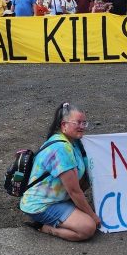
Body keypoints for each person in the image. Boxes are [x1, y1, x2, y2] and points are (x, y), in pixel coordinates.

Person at [19, 102, 99, 241]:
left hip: (57, 198)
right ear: (64, 125)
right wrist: (93, 216)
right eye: (78, 123)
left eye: (84, 123)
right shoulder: (61, 149)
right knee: (88, 227)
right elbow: (74, 191)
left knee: (87, 215)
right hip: (42, 204)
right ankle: (44, 227)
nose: (82, 127)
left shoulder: (74, 142)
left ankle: (68, 212)